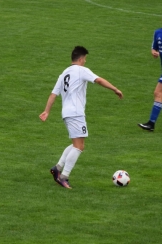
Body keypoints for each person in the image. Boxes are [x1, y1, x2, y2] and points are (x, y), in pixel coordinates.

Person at [39, 46, 123, 189]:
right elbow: (99, 80)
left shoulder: (64, 73)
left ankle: (57, 168)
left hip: (66, 113)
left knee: (75, 144)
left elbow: (53, 94)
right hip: (76, 113)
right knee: (79, 147)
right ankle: (63, 177)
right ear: (81, 58)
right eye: (85, 59)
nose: (85, 61)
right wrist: (115, 89)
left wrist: (47, 111)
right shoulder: (81, 71)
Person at [138, 28, 162, 131]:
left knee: (158, 93)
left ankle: (151, 123)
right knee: (158, 94)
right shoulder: (158, 32)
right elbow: (154, 48)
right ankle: (151, 124)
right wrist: (154, 52)